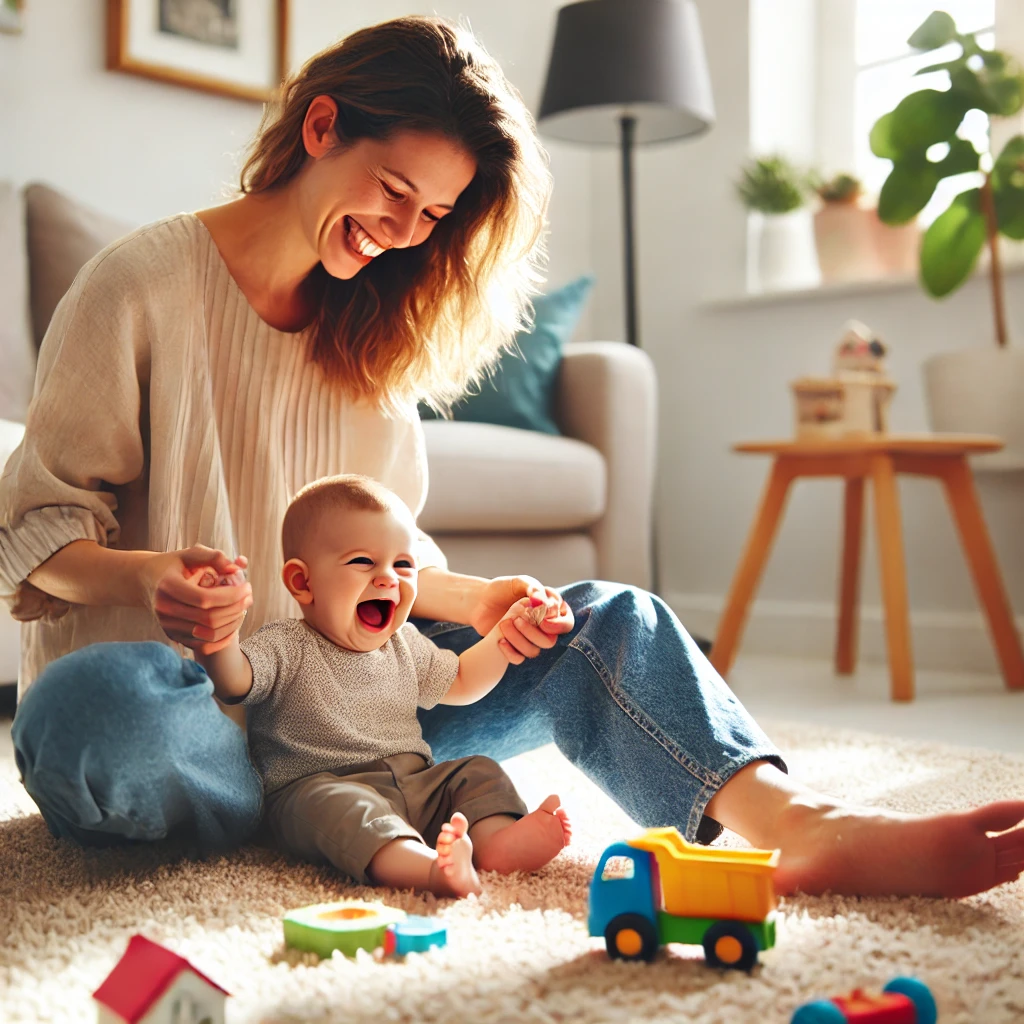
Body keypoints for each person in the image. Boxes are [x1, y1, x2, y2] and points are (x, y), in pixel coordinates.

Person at [4, 15, 1023, 899]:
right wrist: (150, 577)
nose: (403, 233)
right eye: (393, 190)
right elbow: (35, 531)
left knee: (608, 620)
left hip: (361, 728)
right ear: (321, 128)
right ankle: (280, 808)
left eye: (433, 216)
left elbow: (388, 573)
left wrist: (482, 602)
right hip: (197, 721)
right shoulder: (138, 286)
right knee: (87, 714)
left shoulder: (368, 332)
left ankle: (801, 825)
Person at [196, 473, 571, 896]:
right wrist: (218, 634)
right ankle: (429, 870)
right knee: (345, 809)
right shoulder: (286, 644)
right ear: (303, 582)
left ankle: (497, 843)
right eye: (363, 562)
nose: (389, 578)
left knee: (477, 771)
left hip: (416, 783)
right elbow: (233, 682)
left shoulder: (405, 643)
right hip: (320, 788)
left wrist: (506, 632)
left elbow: (464, 679)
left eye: (403, 565)